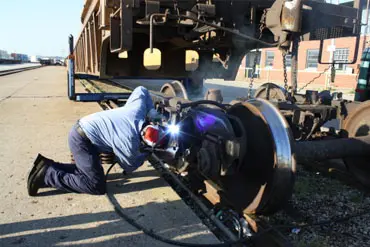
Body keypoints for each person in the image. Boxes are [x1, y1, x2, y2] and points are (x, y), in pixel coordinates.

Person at [27, 86, 163, 196]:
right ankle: (46, 175)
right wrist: (146, 155)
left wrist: (151, 111)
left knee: (89, 172)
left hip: (84, 130)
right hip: (82, 140)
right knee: (95, 185)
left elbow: (141, 90)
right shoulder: (128, 140)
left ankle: (47, 166)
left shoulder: (137, 111)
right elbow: (129, 166)